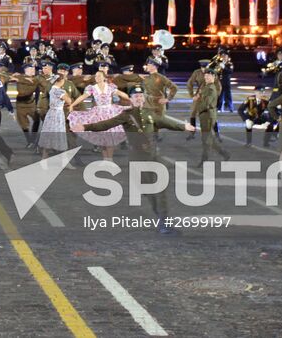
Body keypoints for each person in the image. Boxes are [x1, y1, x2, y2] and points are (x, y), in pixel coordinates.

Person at [73, 84, 196, 233]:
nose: (138, 98)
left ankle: (164, 222)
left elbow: (167, 122)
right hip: (137, 157)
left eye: (140, 95)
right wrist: (86, 127)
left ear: (143, 98)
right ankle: (160, 217)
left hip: (153, 155)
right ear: (130, 99)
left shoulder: (151, 113)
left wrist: (183, 126)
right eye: (135, 96)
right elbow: (106, 124)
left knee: (160, 189)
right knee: (147, 190)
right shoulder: (126, 115)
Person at [38, 64, 73, 158]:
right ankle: (63, 160)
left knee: (49, 134)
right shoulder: (60, 91)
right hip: (58, 114)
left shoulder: (52, 89)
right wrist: (65, 93)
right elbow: (69, 101)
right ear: (60, 80)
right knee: (59, 136)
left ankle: (44, 159)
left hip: (51, 113)